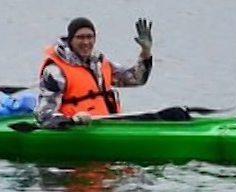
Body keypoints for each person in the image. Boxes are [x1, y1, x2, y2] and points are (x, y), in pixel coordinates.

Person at [36, 16, 181, 126]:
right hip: (76, 129)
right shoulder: (55, 71)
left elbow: (136, 79)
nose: (86, 42)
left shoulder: (99, 63)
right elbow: (44, 115)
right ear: (70, 40)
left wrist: (145, 51)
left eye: (90, 37)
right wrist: (72, 120)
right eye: (80, 37)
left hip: (106, 124)